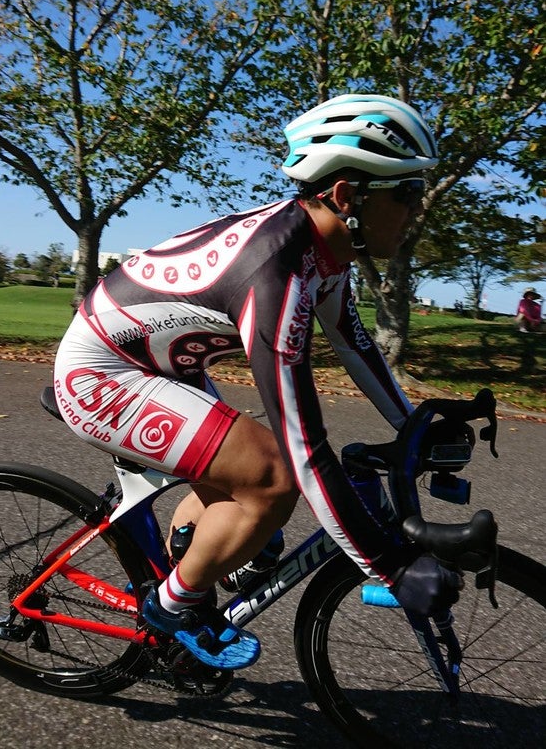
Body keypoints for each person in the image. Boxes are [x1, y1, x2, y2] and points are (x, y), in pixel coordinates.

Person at [53, 93, 463, 670]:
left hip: (161, 364)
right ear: (347, 196)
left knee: (247, 488)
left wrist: (415, 422)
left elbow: (353, 342)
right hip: (102, 374)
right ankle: (173, 608)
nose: (417, 208)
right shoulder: (275, 273)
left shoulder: (323, 248)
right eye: (408, 192)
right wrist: (388, 567)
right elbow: (303, 447)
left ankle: (185, 563)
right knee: (271, 477)